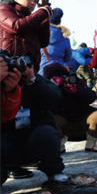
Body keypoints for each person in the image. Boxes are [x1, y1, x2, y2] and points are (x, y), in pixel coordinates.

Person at [0, 51, 69, 185]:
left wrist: (33, 81)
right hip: (7, 137)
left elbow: (54, 99)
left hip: (35, 133)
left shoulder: (32, 78)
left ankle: (55, 172)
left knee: (47, 134)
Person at [43, 62, 97, 152]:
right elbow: (46, 106)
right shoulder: (46, 87)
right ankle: (59, 144)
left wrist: (76, 90)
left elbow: (91, 97)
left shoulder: (75, 81)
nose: (62, 79)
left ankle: (92, 143)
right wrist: (54, 89)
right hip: (64, 126)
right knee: (49, 119)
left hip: (82, 121)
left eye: (63, 76)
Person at [0, 0, 53, 73]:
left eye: (36, 1)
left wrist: (44, 22)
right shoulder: (4, 9)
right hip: (7, 67)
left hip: (28, 71)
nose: (33, 3)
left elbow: (44, 42)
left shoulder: (31, 18)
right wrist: (41, 13)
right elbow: (16, 26)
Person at [38, 8, 72, 74]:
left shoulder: (39, 34)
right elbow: (67, 59)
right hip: (58, 73)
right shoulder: (65, 39)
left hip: (41, 71)